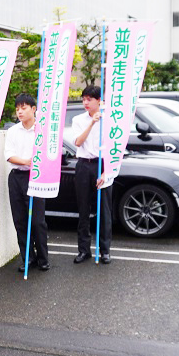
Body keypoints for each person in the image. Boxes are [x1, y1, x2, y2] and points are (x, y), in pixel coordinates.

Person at [69, 85, 115, 265]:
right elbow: (78, 142)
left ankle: (105, 251)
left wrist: (106, 172)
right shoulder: (79, 119)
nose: (85, 102)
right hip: (83, 166)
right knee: (83, 210)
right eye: (84, 99)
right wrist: (92, 122)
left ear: (99, 101)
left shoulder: (109, 120)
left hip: (102, 165)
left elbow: (114, 149)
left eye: (89, 99)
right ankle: (83, 250)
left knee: (104, 210)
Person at [4, 93, 50, 273]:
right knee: (20, 220)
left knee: (38, 221)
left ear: (33, 109)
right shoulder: (13, 131)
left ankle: (43, 258)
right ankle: (27, 258)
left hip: (36, 178)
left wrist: (34, 164)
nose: (20, 112)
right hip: (17, 178)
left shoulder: (42, 130)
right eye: (17, 109)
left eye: (23, 108)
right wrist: (26, 161)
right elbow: (9, 155)